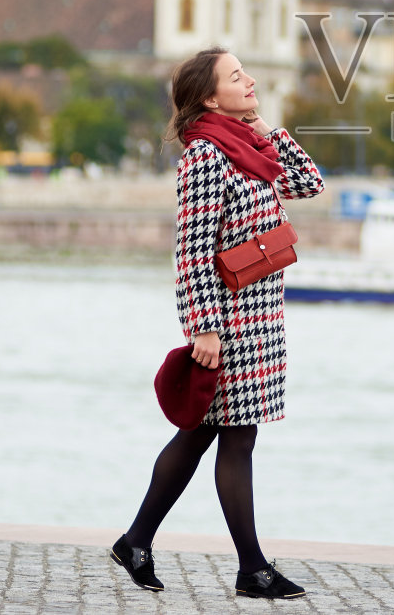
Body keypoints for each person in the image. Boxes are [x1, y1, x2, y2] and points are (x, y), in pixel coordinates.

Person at [112, 47, 325, 600]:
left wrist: (268, 129)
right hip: (229, 322)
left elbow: (308, 184)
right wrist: (203, 328)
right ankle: (252, 569)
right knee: (235, 437)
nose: (251, 80)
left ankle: (136, 540)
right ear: (210, 97)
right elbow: (192, 250)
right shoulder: (206, 158)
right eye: (237, 77)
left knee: (206, 432)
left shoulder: (248, 147)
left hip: (259, 317)